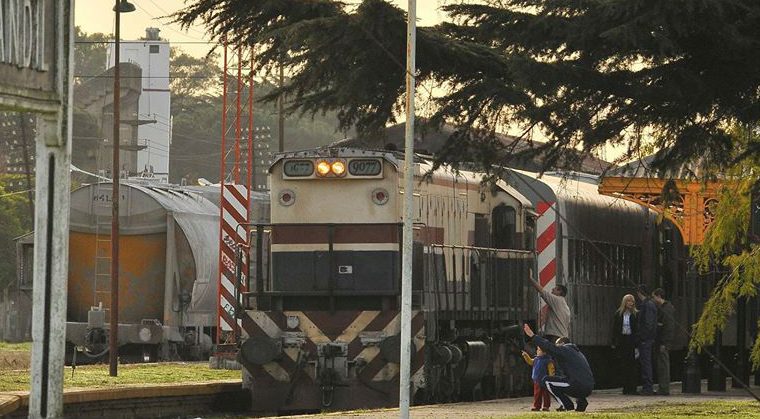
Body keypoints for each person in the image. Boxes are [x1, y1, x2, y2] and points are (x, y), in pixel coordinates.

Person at [523, 323, 594, 412]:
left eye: (557, 345)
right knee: (569, 379)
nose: (556, 348)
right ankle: (581, 403)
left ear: (562, 343)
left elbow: (549, 347)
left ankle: (566, 405)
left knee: (546, 380)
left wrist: (533, 336)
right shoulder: (578, 353)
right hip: (588, 387)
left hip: (578, 385)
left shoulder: (565, 349)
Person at [528, 278, 571, 343]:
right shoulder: (566, 307)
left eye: (555, 289)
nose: (552, 289)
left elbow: (542, 291)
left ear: (560, 292)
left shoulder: (557, 300)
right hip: (563, 338)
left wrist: (530, 279)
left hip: (554, 336)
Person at [611, 294, 639, 395]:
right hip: (623, 339)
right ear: (624, 302)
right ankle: (625, 387)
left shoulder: (636, 314)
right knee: (624, 365)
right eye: (628, 301)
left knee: (633, 365)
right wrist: (614, 342)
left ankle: (633, 388)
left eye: (632, 301)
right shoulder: (619, 314)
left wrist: (637, 343)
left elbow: (637, 329)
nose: (630, 303)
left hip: (631, 340)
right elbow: (615, 328)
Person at [652, 288, 675, 395]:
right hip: (663, 341)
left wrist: (664, 343)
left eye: (654, 297)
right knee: (662, 365)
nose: (653, 299)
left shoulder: (666, 309)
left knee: (663, 366)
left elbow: (668, 327)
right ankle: (663, 387)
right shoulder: (665, 308)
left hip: (663, 342)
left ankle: (664, 388)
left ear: (658, 296)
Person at [636, 284, 658, 395]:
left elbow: (648, 324)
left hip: (646, 339)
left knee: (646, 363)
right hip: (647, 339)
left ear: (639, 293)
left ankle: (648, 387)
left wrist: (643, 337)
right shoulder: (649, 304)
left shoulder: (647, 305)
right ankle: (647, 386)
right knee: (646, 363)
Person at [522, 345, 556, 411]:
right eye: (537, 349)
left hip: (545, 380)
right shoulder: (536, 359)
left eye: (539, 350)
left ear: (544, 352)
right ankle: (537, 406)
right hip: (537, 380)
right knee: (537, 394)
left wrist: (551, 377)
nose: (537, 351)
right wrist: (526, 356)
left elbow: (551, 370)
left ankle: (546, 406)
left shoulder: (548, 361)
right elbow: (530, 362)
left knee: (546, 394)